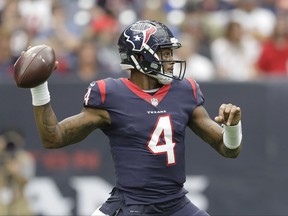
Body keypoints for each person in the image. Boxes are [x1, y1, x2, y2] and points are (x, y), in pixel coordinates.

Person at [23, 20, 242, 216]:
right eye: (164, 54)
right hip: (132, 205)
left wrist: (232, 128)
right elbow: (54, 137)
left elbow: (229, 149)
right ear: (140, 58)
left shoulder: (185, 91)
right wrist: (39, 86)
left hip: (176, 204)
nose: (171, 60)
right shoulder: (110, 94)